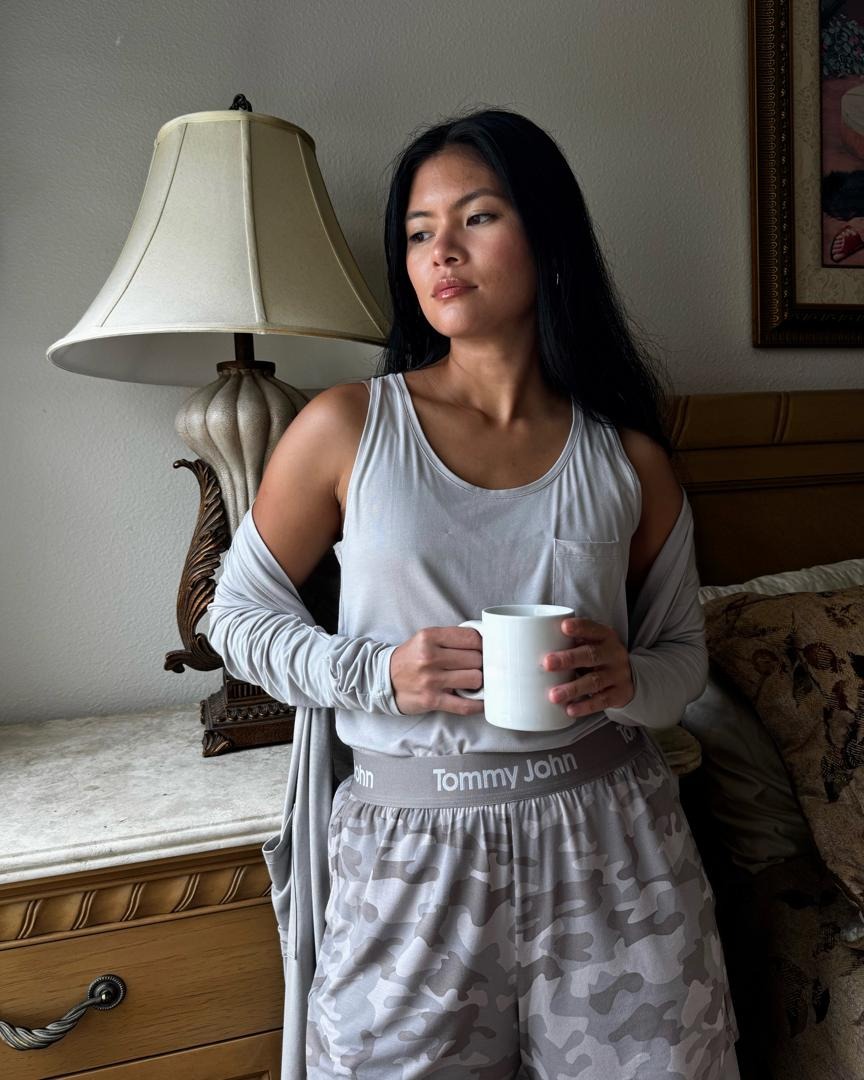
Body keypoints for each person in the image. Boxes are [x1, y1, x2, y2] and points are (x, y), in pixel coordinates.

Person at [209, 108, 740, 1079]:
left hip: (614, 848)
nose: (441, 252)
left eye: (478, 217)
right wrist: (376, 674)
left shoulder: (628, 460)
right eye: (419, 232)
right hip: (411, 862)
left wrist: (627, 679)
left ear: (548, 234)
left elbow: (682, 664)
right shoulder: (347, 427)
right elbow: (233, 617)